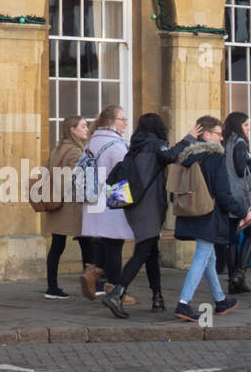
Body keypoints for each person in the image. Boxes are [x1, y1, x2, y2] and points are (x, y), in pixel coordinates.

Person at [170, 116, 251, 321]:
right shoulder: (215, 157)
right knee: (202, 256)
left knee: (210, 257)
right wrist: (242, 211)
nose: (221, 138)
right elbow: (223, 193)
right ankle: (184, 303)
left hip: (190, 210)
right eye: (217, 133)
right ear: (206, 134)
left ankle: (220, 300)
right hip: (209, 212)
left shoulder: (185, 156)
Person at [102, 112, 177, 318]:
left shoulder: (135, 148)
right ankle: (117, 293)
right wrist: (188, 138)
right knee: (142, 252)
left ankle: (157, 297)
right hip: (149, 207)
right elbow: (171, 157)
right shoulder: (155, 145)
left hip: (134, 206)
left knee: (152, 252)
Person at [79, 105, 133, 302]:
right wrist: (124, 205)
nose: (125, 123)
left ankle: (92, 272)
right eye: (122, 119)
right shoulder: (117, 146)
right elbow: (121, 176)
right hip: (111, 199)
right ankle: (116, 290)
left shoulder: (92, 142)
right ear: (111, 121)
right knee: (115, 245)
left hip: (93, 199)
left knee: (101, 241)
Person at [41, 115, 94, 299]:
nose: (87, 129)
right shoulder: (74, 152)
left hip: (57, 204)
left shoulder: (58, 149)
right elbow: (76, 179)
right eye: (83, 126)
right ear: (73, 129)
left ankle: (52, 287)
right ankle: (92, 284)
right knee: (86, 243)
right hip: (71, 206)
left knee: (57, 245)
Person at [216, 111, 251, 294]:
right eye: (246, 125)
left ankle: (233, 281)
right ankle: (239, 273)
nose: (249, 129)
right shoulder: (240, 143)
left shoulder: (224, 141)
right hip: (240, 196)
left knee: (232, 237)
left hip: (226, 194)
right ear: (238, 126)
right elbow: (242, 169)